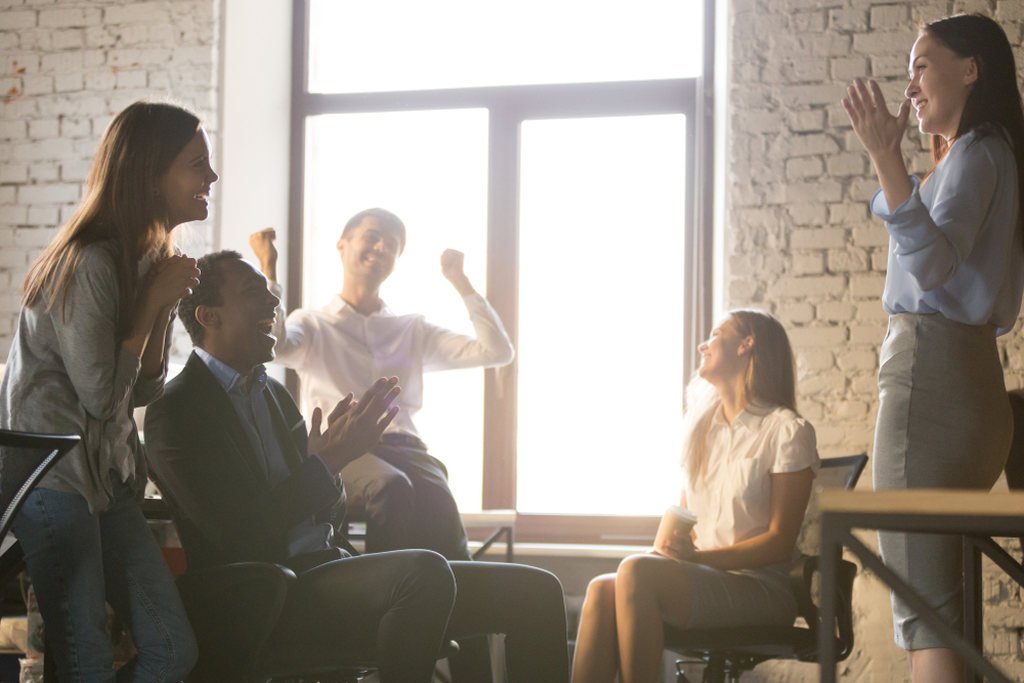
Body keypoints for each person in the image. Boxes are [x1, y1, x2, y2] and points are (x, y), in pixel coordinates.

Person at [144, 250, 570, 683]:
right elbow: (237, 536)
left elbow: (320, 515)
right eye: (254, 292)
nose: (274, 303)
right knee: (423, 571)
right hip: (273, 588)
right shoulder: (176, 411)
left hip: (327, 565)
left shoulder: (273, 394)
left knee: (536, 591)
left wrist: (329, 465)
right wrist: (331, 460)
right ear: (209, 317)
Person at [841, 13, 1024, 682]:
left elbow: (933, 267)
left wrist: (886, 158)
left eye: (922, 65)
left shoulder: (978, 152)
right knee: (947, 612)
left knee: (927, 615)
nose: (911, 84)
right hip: (972, 389)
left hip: (932, 388)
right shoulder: (988, 155)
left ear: (971, 68)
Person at [0, 101, 209, 681]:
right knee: (84, 656)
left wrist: (160, 303)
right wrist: (149, 304)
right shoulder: (90, 261)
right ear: (149, 175)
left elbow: (141, 390)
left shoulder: (148, 260)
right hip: (53, 476)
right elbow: (99, 395)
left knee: (172, 649)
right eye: (196, 164)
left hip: (109, 478)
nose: (210, 179)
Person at [249, 209, 514, 560]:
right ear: (342, 245)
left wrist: (460, 281)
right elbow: (275, 345)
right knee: (391, 487)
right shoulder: (313, 324)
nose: (381, 247)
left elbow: (496, 351)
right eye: (372, 236)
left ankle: (450, 606)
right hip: (349, 447)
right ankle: (383, 595)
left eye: (392, 245)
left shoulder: (411, 329)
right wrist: (270, 270)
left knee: (445, 527)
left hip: (409, 450)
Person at [571, 309, 818, 683]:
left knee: (635, 571)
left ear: (746, 344)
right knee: (604, 588)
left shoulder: (786, 431)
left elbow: (779, 541)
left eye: (716, 334)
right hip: (703, 575)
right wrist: (670, 550)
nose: (704, 344)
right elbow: (683, 521)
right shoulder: (703, 431)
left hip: (760, 586)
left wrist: (698, 557)